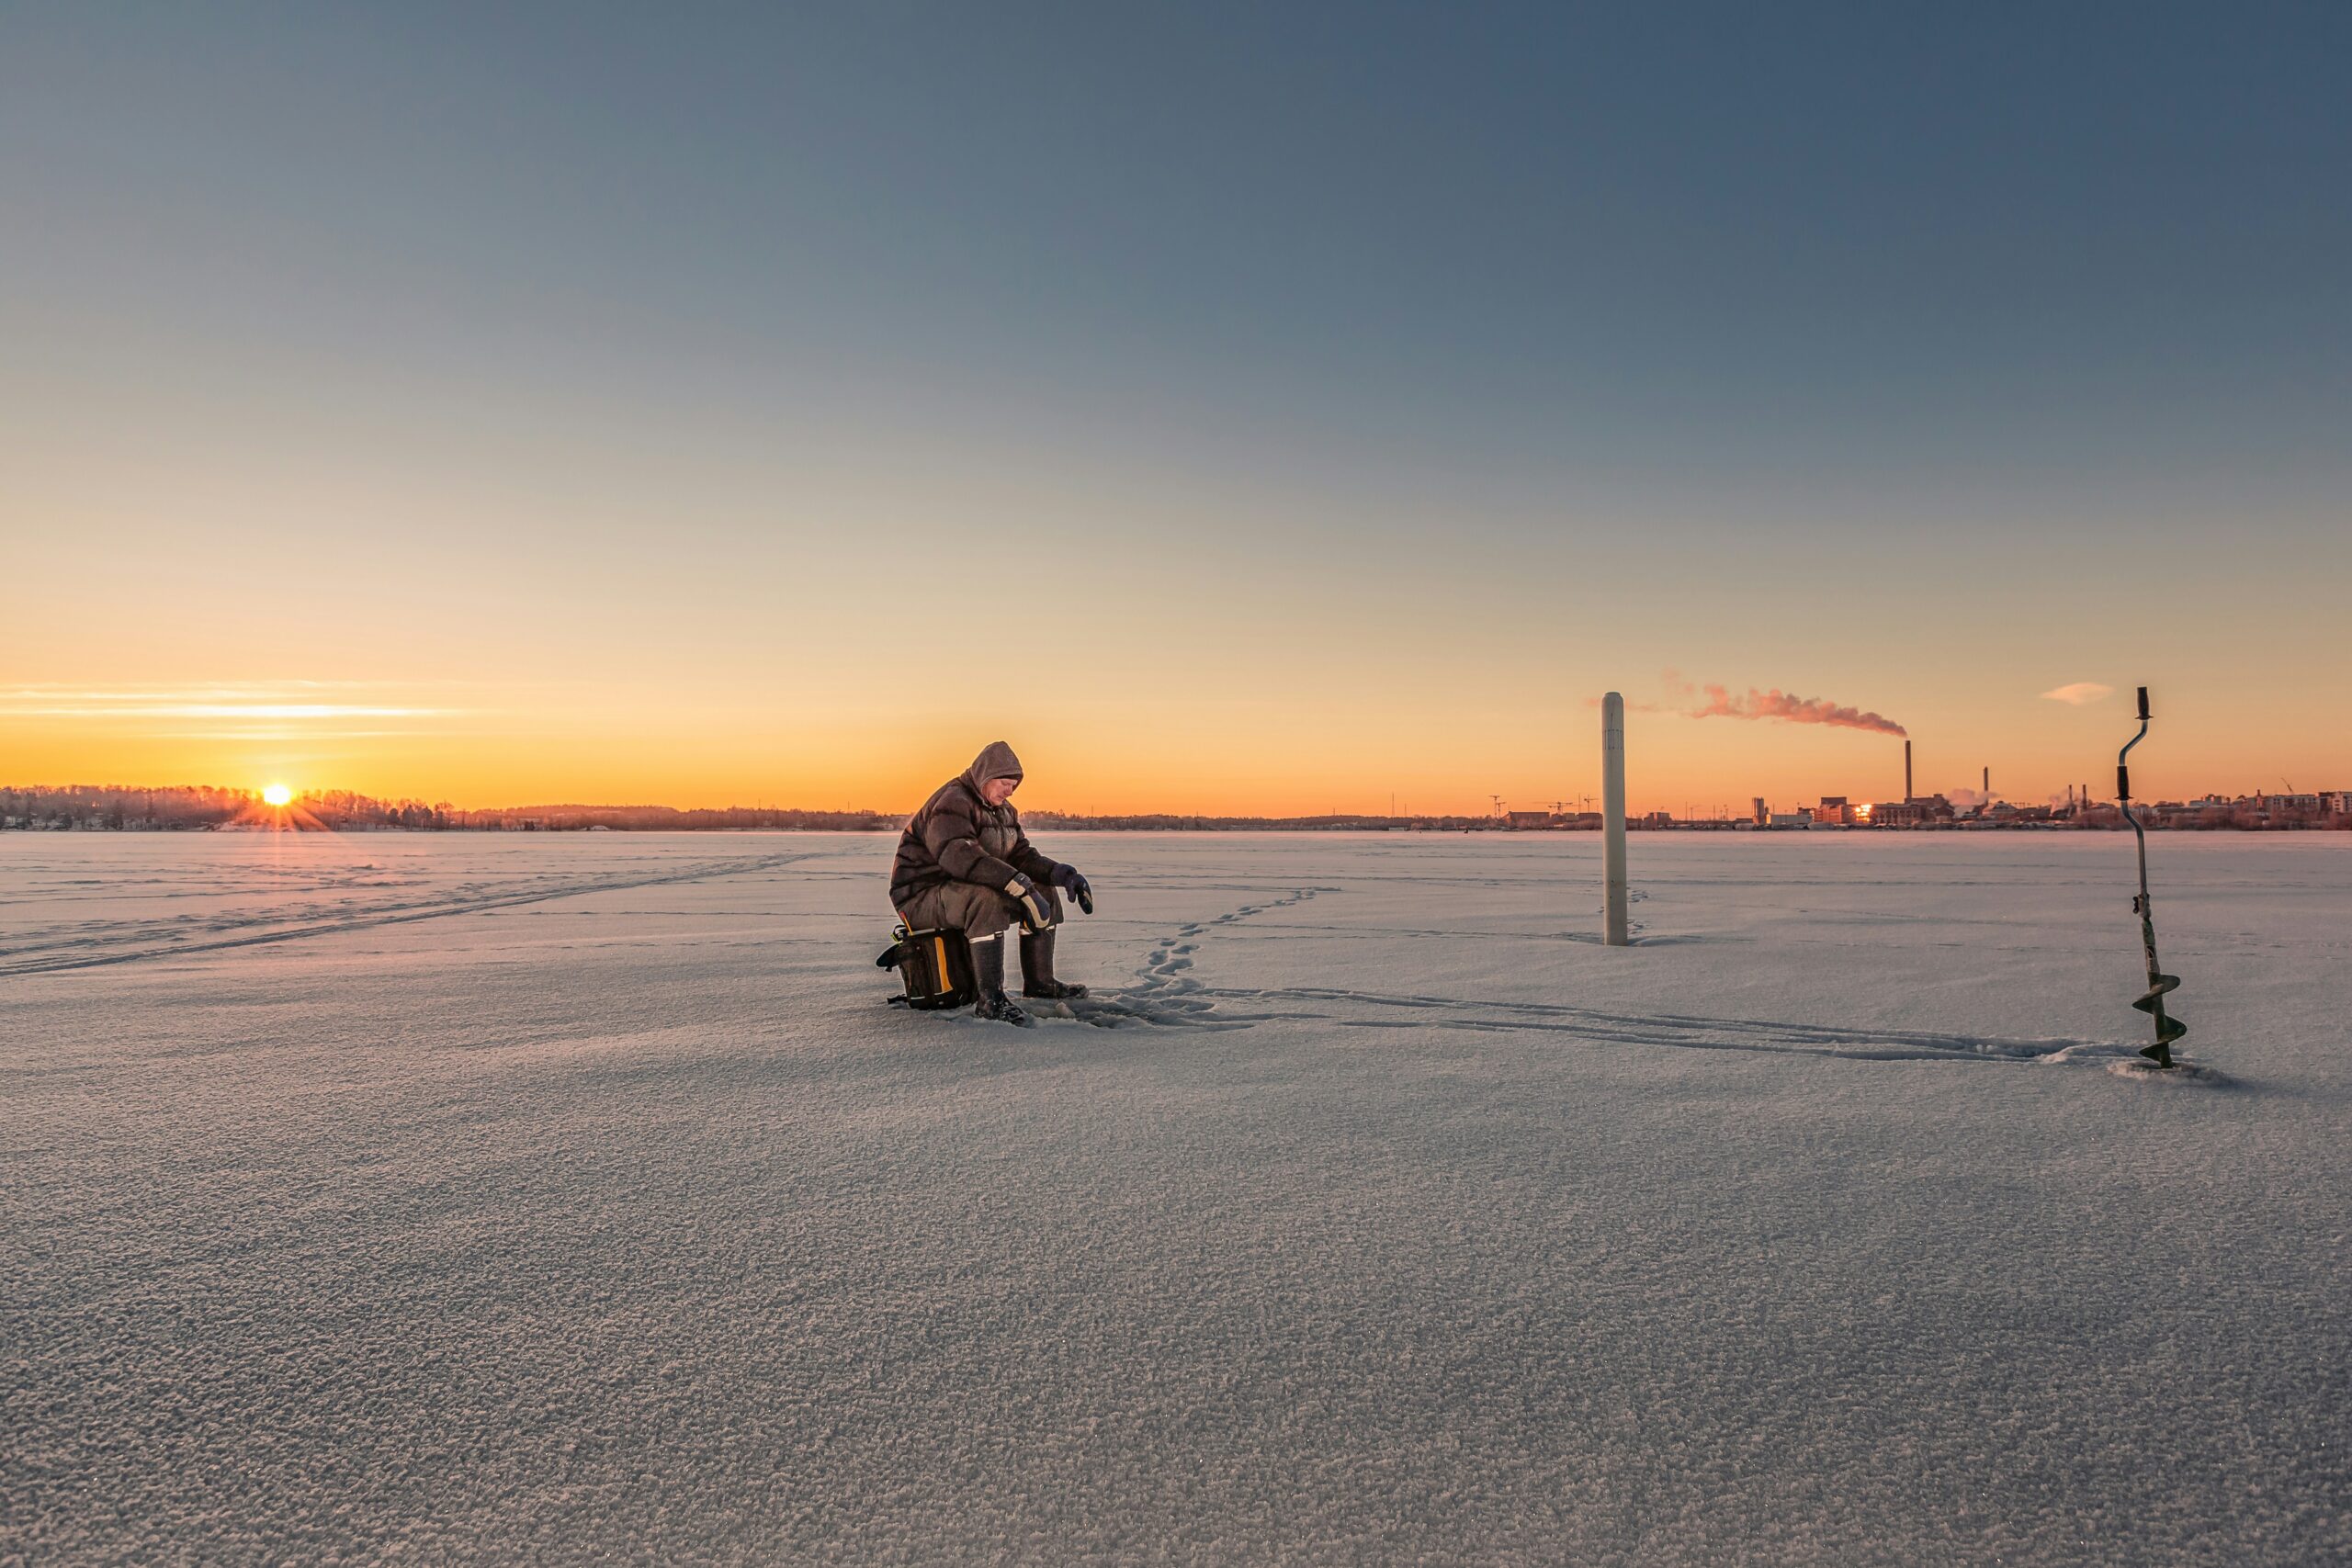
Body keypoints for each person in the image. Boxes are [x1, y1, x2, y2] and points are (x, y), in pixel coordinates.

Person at [889, 741, 1092, 1025]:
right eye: (1005, 783)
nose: (1010, 791)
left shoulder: (1005, 811)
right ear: (985, 776)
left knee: (1043, 891)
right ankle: (990, 1000)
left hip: (957, 888)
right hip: (920, 894)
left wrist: (1063, 874)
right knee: (985, 898)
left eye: (1014, 786)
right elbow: (958, 856)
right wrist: (1017, 884)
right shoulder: (952, 802)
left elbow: (1021, 855)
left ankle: (1040, 984)